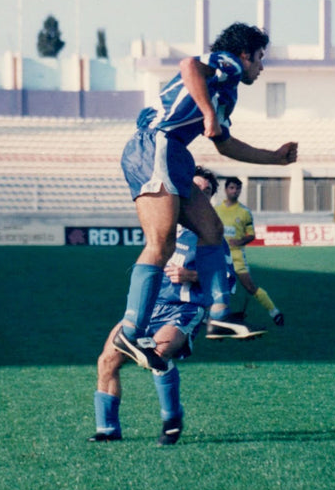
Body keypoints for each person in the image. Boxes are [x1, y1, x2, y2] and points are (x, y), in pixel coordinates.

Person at [115, 22, 298, 371]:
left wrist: (274, 157)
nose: (262, 67)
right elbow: (188, 66)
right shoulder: (226, 63)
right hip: (157, 143)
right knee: (162, 242)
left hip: (176, 152)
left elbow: (224, 142)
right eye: (260, 58)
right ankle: (131, 330)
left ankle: (219, 317)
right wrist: (209, 114)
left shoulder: (228, 90)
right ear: (245, 54)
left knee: (212, 232)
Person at [90, 167, 257, 445]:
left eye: (205, 192)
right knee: (107, 360)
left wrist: (191, 276)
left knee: (157, 355)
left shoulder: (210, 238)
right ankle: (107, 430)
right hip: (147, 308)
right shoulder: (161, 226)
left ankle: (172, 418)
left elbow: (228, 283)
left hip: (183, 308)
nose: (199, 196)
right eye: (194, 189)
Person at [215, 176, 284, 327]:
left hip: (237, 257)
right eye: (232, 188)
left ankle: (274, 312)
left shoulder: (244, 212)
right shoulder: (216, 210)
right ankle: (215, 318)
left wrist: (239, 241)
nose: (234, 191)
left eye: (237, 188)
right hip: (219, 257)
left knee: (250, 287)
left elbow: (251, 234)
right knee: (216, 287)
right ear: (226, 190)